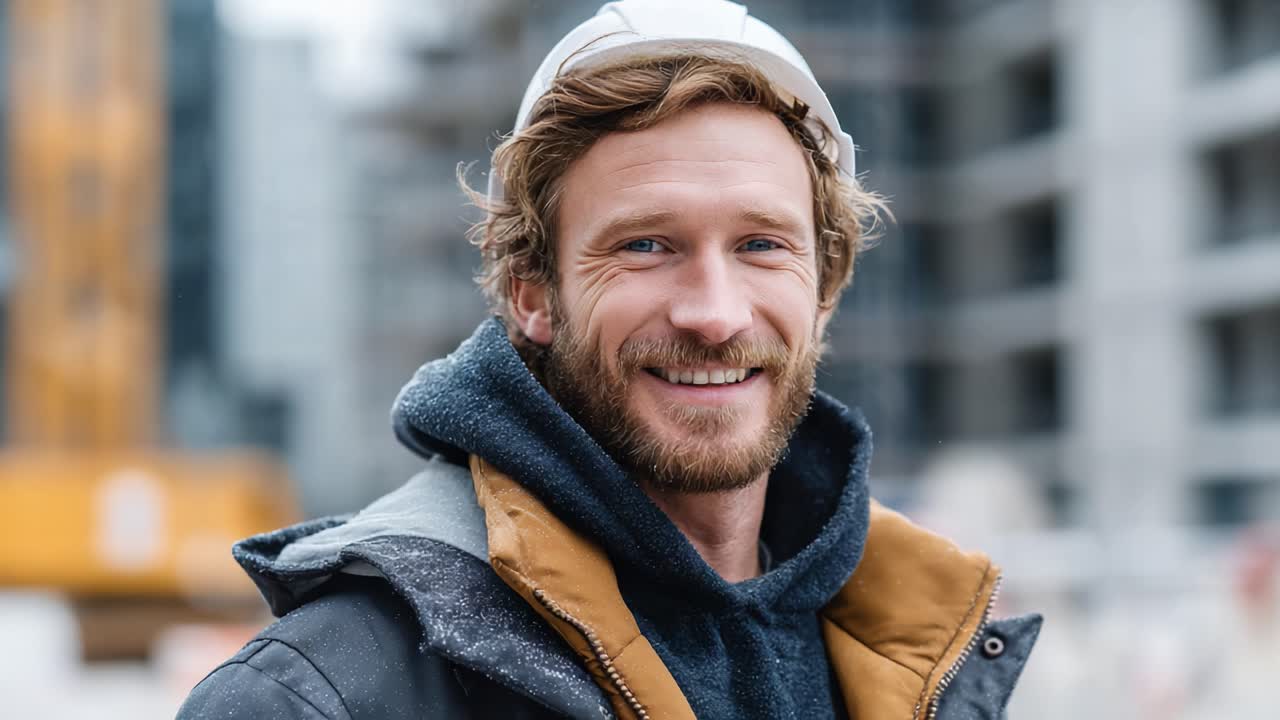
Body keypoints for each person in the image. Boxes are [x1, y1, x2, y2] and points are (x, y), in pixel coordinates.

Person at [177, 1, 1041, 718]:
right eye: (645, 245)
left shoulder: (920, 644)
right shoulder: (323, 695)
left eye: (761, 245)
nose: (715, 314)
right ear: (531, 294)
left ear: (826, 286)